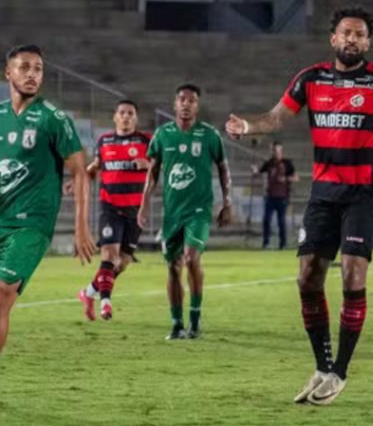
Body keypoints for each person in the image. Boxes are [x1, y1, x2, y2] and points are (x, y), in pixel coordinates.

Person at [226, 6, 373, 405]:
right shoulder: (310, 79)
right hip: (324, 193)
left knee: (352, 276)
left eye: (359, 34)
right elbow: (276, 117)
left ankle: (339, 371)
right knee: (307, 277)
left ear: (368, 43)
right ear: (333, 38)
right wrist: (248, 126)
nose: (352, 39)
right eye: (346, 33)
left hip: (364, 193)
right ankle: (322, 367)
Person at [0, 44, 96, 353]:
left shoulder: (53, 118)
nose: (32, 74)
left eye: (38, 69)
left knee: (2, 293)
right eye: (24, 68)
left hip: (30, 225)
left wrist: (81, 227)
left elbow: (80, 172)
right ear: (8, 73)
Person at [138, 84, 232, 340]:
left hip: (199, 210)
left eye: (192, 100)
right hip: (172, 213)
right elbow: (153, 171)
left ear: (197, 106)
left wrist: (227, 202)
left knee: (191, 258)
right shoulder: (163, 135)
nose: (186, 104)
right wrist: (144, 202)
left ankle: (195, 319)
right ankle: (177, 324)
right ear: (175, 104)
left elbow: (223, 168)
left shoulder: (209, 135)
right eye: (182, 99)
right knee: (172, 267)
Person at [75, 100, 151, 321]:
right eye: (122, 113)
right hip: (110, 206)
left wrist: (148, 164)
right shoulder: (104, 141)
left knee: (122, 262)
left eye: (130, 113)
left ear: (136, 118)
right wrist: (80, 178)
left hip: (135, 210)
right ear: (115, 117)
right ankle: (105, 303)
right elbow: (96, 165)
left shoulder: (146, 140)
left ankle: (88, 292)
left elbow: (162, 165)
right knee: (109, 255)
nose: (126, 116)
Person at [252, 141, 297, 249]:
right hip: (270, 196)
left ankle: (283, 243)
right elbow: (259, 172)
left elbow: (296, 177)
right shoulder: (269, 163)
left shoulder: (287, 163)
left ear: (281, 151)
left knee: (281, 221)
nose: (276, 153)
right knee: (266, 220)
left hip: (282, 196)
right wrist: (255, 170)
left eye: (278, 150)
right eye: (274, 150)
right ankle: (266, 243)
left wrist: (285, 179)